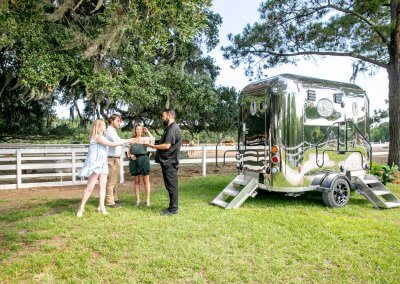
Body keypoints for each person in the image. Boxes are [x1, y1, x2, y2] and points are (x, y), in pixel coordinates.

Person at [76, 119, 135, 217]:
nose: (105, 127)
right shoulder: (97, 137)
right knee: (90, 187)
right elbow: (112, 144)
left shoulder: (102, 137)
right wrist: (129, 140)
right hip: (95, 164)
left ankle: (101, 207)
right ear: (98, 127)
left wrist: (128, 141)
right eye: (103, 125)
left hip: (103, 164)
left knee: (103, 186)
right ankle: (81, 207)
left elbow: (117, 141)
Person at [146, 109, 181, 216]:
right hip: (167, 161)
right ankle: (172, 207)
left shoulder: (172, 128)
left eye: (163, 116)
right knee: (170, 185)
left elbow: (166, 146)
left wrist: (152, 146)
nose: (162, 118)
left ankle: (173, 209)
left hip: (169, 162)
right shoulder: (170, 128)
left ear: (170, 116)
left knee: (172, 185)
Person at [128, 124, 153, 207]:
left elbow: (152, 140)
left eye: (140, 129)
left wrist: (148, 131)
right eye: (137, 129)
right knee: (136, 181)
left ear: (142, 130)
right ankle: (138, 200)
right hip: (134, 160)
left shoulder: (145, 139)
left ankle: (148, 200)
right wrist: (131, 156)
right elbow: (128, 152)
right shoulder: (132, 140)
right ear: (135, 130)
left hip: (143, 159)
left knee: (146, 181)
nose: (138, 130)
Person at [104, 114, 123, 208]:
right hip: (111, 158)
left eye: (120, 121)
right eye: (117, 121)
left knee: (115, 180)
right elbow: (117, 141)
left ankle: (115, 198)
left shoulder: (113, 131)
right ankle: (110, 201)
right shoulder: (109, 131)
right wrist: (129, 140)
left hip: (116, 158)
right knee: (111, 180)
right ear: (111, 120)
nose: (119, 123)